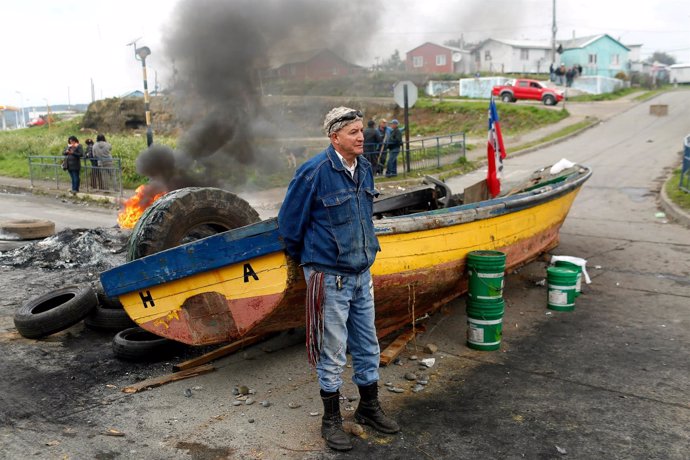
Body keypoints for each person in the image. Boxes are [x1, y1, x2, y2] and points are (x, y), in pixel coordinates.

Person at [278, 107, 400, 452]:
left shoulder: (364, 167)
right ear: (335, 137)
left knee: (367, 343)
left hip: (362, 273)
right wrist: (315, 264)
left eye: (362, 130)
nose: (361, 136)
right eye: (353, 132)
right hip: (329, 277)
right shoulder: (313, 172)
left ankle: (368, 407)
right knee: (331, 349)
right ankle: (330, 420)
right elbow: (289, 227)